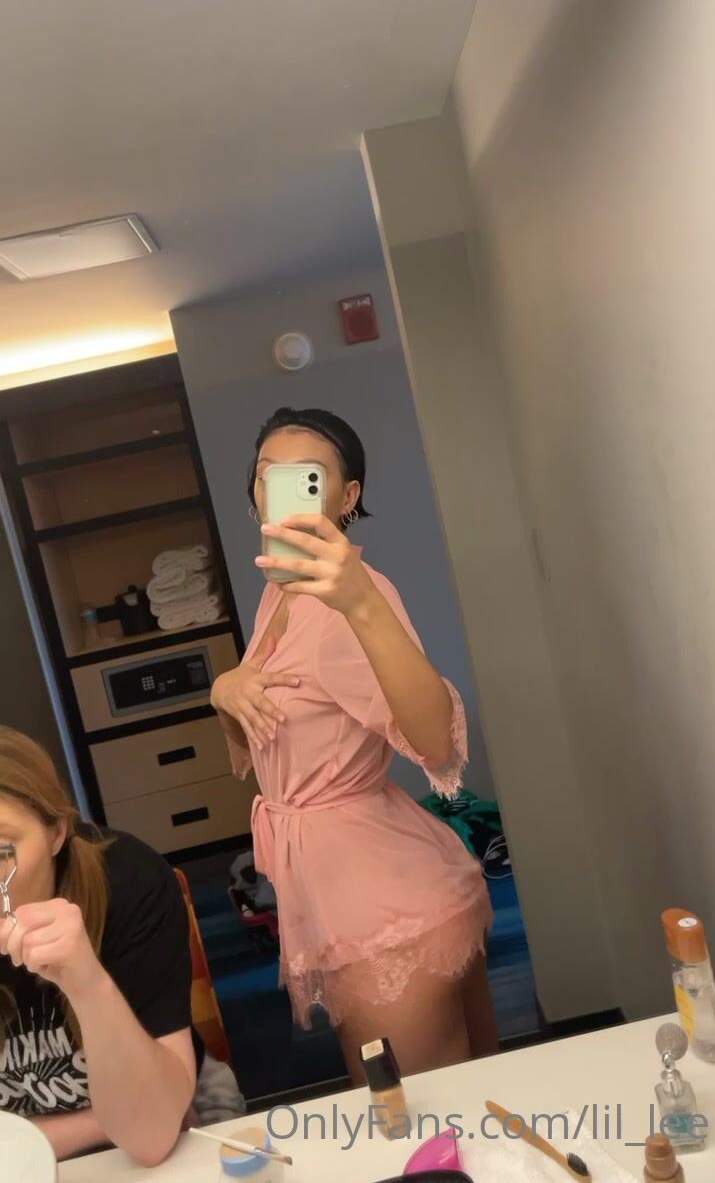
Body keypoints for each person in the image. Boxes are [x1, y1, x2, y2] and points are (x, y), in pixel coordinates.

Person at [211, 407, 497, 1084]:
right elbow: (264, 745)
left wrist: (362, 604)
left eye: (305, 477)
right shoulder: (279, 594)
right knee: (447, 1112)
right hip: (347, 893)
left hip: (386, 913)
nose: (278, 490)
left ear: (346, 496)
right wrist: (225, 690)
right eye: (266, 475)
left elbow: (436, 744)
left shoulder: (352, 600)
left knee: (418, 1121)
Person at [0, 728, 198, 1165]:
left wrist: (86, 981)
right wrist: (97, 1124)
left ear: (57, 832)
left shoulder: (126, 882)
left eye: (0, 852)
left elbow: (151, 1134)